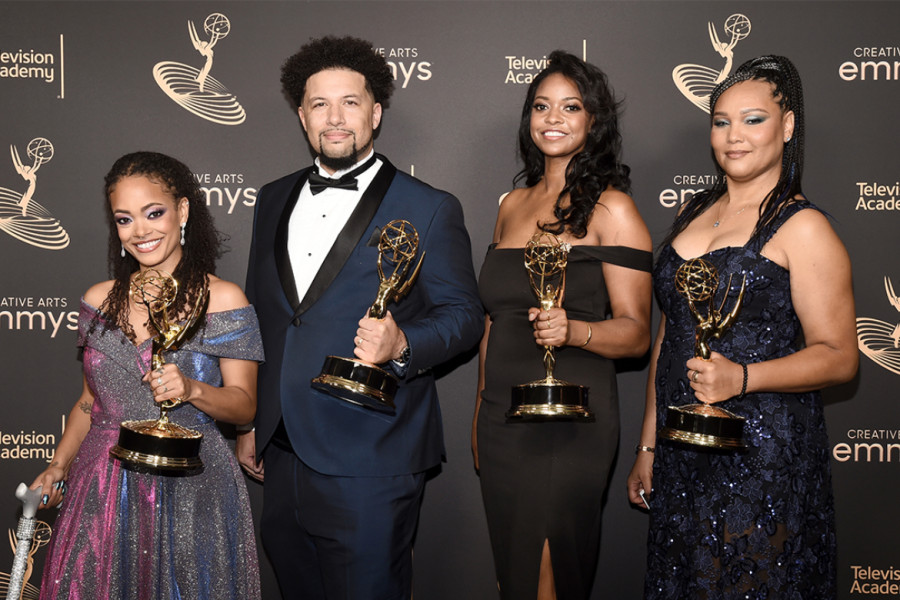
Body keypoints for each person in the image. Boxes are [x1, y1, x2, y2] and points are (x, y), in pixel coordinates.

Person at [236, 35, 483, 600]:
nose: (335, 118)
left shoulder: (429, 206)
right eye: (319, 104)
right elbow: (264, 316)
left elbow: (465, 315)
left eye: (350, 102)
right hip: (281, 449)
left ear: (375, 112)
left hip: (373, 452)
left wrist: (402, 343)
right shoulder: (272, 198)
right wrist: (251, 419)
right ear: (302, 117)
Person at [626, 55, 857, 599]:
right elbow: (669, 338)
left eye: (753, 120)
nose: (734, 136)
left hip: (760, 454)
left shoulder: (803, 227)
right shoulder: (692, 212)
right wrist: (649, 446)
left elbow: (840, 355)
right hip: (682, 450)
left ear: (788, 126)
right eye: (721, 121)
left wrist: (743, 377)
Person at [30, 151, 263, 599]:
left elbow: (244, 406)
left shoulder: (223, 299)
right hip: (102, 487)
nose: (140, 231)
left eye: (153, 213)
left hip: (190, 486)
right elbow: (89, 403)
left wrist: (192, 389)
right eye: (125, 219)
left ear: (183, 211)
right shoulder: (99, 300)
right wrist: (58, 466)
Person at [474, 50, 653, 600]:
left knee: (548, 570)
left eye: (570, 107)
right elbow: (494, 320)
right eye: (541, 106)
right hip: (501, 415)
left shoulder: (613, 209)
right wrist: (480, 407)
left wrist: (576, 331)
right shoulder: (511, 205)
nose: (552, 118)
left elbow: (637, 333)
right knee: (513, 574)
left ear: (593, 121)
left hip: (572, 418)